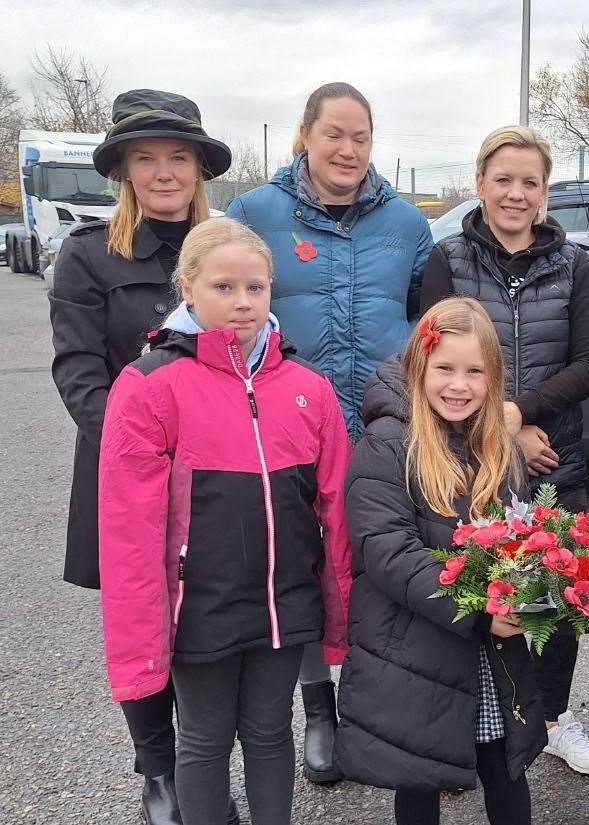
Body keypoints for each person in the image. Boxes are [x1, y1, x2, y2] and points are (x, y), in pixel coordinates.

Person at [97, 218, 353, 825]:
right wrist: (142, 638)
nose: (242, 303)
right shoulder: (150, 386)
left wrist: (340, 604)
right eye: (224, 287)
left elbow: (336, 506)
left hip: (282, 605)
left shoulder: (308, 388)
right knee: (205, 741)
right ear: (188, 289)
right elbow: (129, 534)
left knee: (270, 734)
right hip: (200, 608)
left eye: (256, 288)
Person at [226, 81, 433, 783]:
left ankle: (382, 709)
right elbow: (227, 306)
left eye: (361, 137)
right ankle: (318, 708)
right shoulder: (255, 212)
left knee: (381, 568)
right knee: (305, 570)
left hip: (382, 432)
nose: (347, 149)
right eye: (334, 134)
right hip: (288, 434)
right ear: (305, 136)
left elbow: (423, 324)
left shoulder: (407, 225)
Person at [48, 88, 239, 825]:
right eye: (147, 158)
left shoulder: (225, 252)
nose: (165, 171)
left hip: (217, 478)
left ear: (198, 169)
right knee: (144, 624)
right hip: (128, 474)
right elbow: (78, 372)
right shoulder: (88, 256)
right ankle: (158, 769)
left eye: (179, 157)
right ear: (124, 169)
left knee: (207, 623)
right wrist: (149, 451)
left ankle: (201, 762)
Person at [419, 125, 589, 775]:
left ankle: (552, 715)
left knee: (555, 593)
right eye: (503, 179)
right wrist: (501, 431)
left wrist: (524, 412)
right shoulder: (448, 261)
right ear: (479, 184)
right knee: (477, 589)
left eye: (530, 182)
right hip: (470, 459)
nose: (516, 193)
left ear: (546, 192)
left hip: (557, 456)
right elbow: (432, 361)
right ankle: (473, 720)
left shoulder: (575, 265)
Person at [335, 297, 547, 825]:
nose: (459, 385)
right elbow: (387, 551)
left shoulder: (499, 447)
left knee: (505, 767)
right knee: (419, 774)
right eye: (445, 369)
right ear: (417, 368)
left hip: (491, 648)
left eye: (475, 372)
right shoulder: (387, 446)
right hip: (415, 647)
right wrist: (476, 611)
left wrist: (536, 582)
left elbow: (521, 532)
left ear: (493, 379)